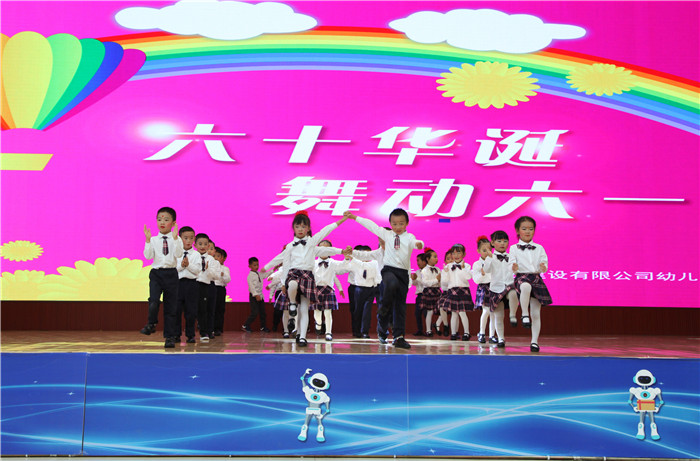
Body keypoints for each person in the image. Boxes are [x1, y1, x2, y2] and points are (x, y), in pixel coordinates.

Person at [343, 209, 423, 349]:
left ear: (407, 223)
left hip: (403, 274)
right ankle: (384, 313)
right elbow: (370, 225)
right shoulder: (387, 234)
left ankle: (398, 337)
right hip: (389, 271)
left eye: (401, 223)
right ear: (390, 224)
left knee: (400, 307)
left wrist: (419, 244)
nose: (398, 227)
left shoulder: (409, 237)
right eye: (394, 224)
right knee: (390, 284)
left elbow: (415, 242)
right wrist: (354, 217)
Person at [279, 211, 349, 347]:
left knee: (308, 310)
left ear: (308, 228)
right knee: (294, 290)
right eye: (297, 226)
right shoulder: (291, 247)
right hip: (298, 277)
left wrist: (343, 220)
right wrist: (282, 281)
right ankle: (294, 310)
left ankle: (306, 336)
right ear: (293, 228)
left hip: (313, 281)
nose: (300, 229)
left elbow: (327, 232)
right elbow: (285, 265)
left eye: (303, 226)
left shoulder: (312, 243)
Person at [509, 216, 552, 352]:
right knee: (525, 286)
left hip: (536, 278)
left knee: (536, 313)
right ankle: (524, 314)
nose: (528, 231)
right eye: (524, 228)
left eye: (531, 229)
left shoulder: (539, 248)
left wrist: (543, 268)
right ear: (517, 230)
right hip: (522, 277)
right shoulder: (514, 248)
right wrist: (514, 267)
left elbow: (544, 264)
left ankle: (534, 342)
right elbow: (511, 264)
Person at [142, 206, 183, 348]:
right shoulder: (153, 239)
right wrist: (147, 241)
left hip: (171, 274)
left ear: (173, 222)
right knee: (153, 301)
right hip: (156, 274)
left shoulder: (176, 239)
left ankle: (170, 337)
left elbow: (178, 254)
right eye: (159, 219)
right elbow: (148, 256)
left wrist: (176, 238)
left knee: (170, 308)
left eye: (166, 219)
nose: (162, 222)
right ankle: (151, 324)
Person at [482, 230, 518, 348]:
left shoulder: (511, 256)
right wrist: (489, 257)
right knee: (498, 315)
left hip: (508, 284)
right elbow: (486, 270)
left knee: (513, 293)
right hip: (496, 288)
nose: (502, 243)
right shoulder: (491, 257)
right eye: (499, 241)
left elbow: (516, 271)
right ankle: (501, 338)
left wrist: (516, 269)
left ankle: (512, 315)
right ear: (492, 243)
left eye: (505, 241)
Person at [312, 240, 349, 341]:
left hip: (328, 289)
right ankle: (318, 323)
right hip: (316, 289)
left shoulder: (333, 263)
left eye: (327, 248)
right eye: (321, 248)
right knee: (317, 312)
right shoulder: (313, 262)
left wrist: (346, 258)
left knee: (328, 312)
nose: (324, 250)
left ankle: (328, 332)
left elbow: (343, 265)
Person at [347, 245, 382, 339]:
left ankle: (365, 331)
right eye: (364, 254)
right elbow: (346, 267)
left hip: (370, 289)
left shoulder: (374, 263)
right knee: (357, 311)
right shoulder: (356, 263)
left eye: (369, 254)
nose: (367, 256)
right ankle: (357, 330)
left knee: (367, 311)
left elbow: (377, 275)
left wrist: (376, 285)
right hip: (359, 289)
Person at [442, 243, 474, 341]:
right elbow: (445, 281)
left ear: (463, 254)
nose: (456, 255)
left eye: (458, 253)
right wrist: (445, 272)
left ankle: (466, 333)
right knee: (454, 314)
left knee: (462, 313)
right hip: (452, 291)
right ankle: (453, 333)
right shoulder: (448, 266)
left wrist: (463, 268)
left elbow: (468, 277)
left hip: (463, 290)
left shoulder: (467, 266)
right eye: (454, 253)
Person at [176, 226, 201, 344]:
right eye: (185, 238)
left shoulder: (196, 254)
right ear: (180, 238)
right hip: (178, 284)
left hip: (191, 285)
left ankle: (190, 335)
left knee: (191, 312)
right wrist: (182, 265)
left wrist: (188, 265)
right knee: (176, 311)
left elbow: (197, 270)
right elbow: (174, 269)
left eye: (191, 238)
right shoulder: (176, 253)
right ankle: (175, 335)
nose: (188, 241)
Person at [194, 233, 218, 342]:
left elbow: (215, 275)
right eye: (200, 244)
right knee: (192, 310)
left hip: (204, 285)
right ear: (195, 245)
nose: (202, 246)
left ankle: (204, 332)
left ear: (208, 246)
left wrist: (207, 270)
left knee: (204, 310)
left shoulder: (211, 259)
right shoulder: (192, 256)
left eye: (205, 244)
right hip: (193, 284)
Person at [472, 236, 494, 344]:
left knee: (494, 313)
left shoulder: (494, 261)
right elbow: (476, 280)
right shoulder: (477, 264)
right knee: (486, 311)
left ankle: (492, 335)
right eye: (484, 250)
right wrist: (482, 274)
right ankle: (481, 333)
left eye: (489, 249)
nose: (487, 252)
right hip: (484, 288)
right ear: (478, 251)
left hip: (494, 287)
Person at [245, 257, 270, 333]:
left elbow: (266, 275)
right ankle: (246, 325)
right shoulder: (250, 276)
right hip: (254, 296)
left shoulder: (259, 273)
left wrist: (273, 269)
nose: (257, 267)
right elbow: (251, 287)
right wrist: (255, 295)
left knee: (263, 312)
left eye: (257, 265)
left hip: (260, 295)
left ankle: (263, 327)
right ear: (250, 266)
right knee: (254, 312)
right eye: (254, 265)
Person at [421, 249, 442, 337]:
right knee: (429, 312)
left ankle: (437, 323)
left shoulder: (438, 269)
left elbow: (440, 282)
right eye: (434, 257)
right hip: (429, 291)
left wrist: (439, 281)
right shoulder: (424, 270)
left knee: (443, 309)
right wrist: (436, 280)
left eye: (436, 257)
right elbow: (425, 282)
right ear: (428, 259)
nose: (436, 259)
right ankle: (428, 330)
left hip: (437, 290)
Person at [434, 249, 453, 337]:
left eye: (452, 258)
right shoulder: (443, 271)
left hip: (455, 292)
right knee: (442, 307)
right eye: (448, 259)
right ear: (445, 261)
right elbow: (443, 284)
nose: (450, 260)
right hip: (446, 292)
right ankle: (446, 326)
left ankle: (454, 331)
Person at [213, 247, 230, 336]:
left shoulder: (225, 268)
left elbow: (228, 280)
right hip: (212, 288)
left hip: (220, 289)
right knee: (212, 308)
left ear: (222, 258)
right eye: (214, 256)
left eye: (218, 256)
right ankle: (210, 328)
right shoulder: (210, 266)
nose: (216, 258)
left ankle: (218, 328)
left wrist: (222, 275)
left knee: (220, 309)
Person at [410, 253, 428, 336]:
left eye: (418, 260)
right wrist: (413, 279)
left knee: (426, 313)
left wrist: (417, 278)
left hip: (426, 295)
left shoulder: (428, 271)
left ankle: (428, 330)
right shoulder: (417, 272)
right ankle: (420, 330)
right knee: (417, 313)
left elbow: (425, 283)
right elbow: (415, 283)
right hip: (419, 295)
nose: (417, 263)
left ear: (424, 262)